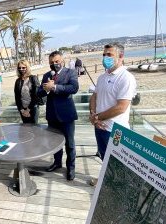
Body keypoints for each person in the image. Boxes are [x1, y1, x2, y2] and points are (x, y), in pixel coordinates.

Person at [89, 42, 137, 186]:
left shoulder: (126, 78)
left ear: (121, 56)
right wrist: (93, 114)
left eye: (109, 55)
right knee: (104, 157)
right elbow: (94, 96)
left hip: (115, 130)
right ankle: (105, 181)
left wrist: (97, 117)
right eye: (104, 55)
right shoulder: (102, 77)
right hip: (99, 127)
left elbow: (121, 107)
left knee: (117, 162)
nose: (105, 58)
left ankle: (118, 187)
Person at [37, 51, 79, 181]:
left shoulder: (70, 72)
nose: (54, 64)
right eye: (51, 62)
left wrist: (54, 87)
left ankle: (71, 168)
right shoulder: (46, 75)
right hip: (52, 115)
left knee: (70, 144)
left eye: (56, 61)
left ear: (62, 61)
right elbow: (39, 92)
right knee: (54, 143)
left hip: (66, 115)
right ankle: (57, 163)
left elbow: (73, 88)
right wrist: (45, 89)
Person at [14, 59, 41, 124]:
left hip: (33, 108)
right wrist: (22, 110)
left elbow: (36, 95)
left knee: (34, 129)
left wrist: (28, 110)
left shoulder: (33, 78)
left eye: (23, 67)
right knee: (25, 129)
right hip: (22, 109)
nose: (21, 69)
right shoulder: (18, 81)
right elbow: (17, 97)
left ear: (27, 67)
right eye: (19, 68)